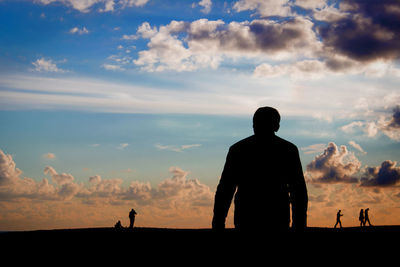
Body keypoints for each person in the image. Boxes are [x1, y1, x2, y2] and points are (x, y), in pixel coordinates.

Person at [212, 106, 308, 232]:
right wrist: (300, 225)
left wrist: (218, 223)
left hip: (248, 217)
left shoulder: (238, 149)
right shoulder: (288, 149)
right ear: (277, 126)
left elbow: (225, 190)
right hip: (274, 217)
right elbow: (298, 191)